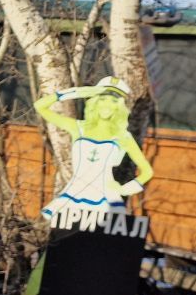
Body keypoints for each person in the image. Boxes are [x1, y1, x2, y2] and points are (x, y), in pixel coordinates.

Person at [34, 76, 153, 220]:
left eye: (113, 101)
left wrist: (124, 190)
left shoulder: (123, 137)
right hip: (72, 195)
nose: (107, 105)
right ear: (95, 101)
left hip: (107, 200)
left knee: (101, 234)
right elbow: (40, 106)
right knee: (64, 233)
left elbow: (147, 172)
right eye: (103, 99)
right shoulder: (78, 127)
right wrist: (79, 92)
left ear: (119, 106)